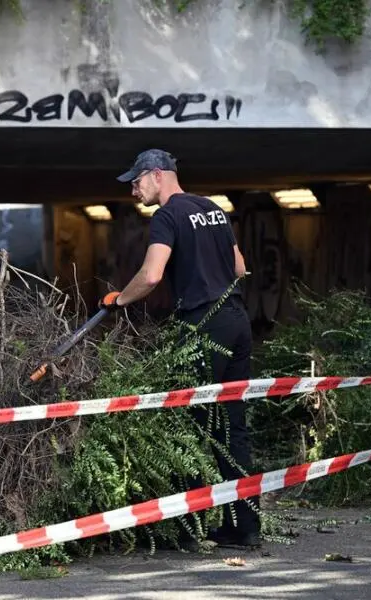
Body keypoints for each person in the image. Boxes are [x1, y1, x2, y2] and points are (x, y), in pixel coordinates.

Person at [99, 148, 261, 548]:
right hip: (237, 321)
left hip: (204, 327)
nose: (134, 191)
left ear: (157, 176)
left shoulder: (167, 216)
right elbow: (240, 268)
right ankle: (244, 528)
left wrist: (120, 300)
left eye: (136, 182)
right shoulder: (214, 210)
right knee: (231, 429)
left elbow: (152, 275)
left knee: (186, 426)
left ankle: (184, 531)